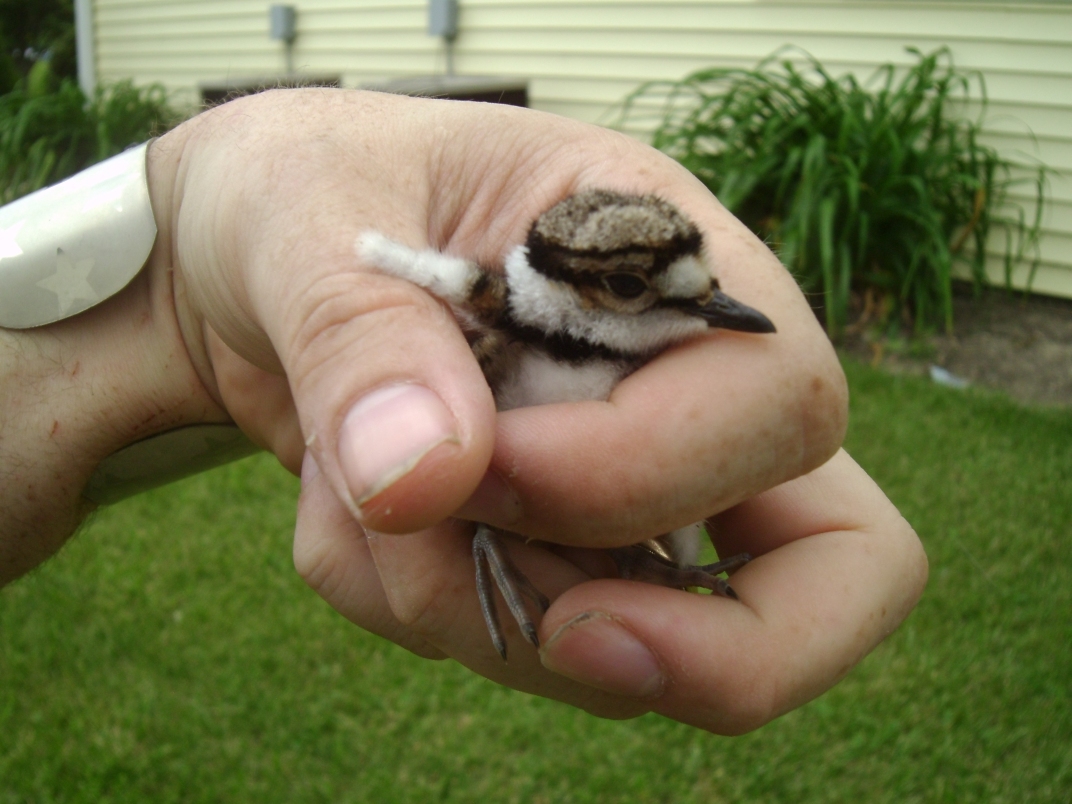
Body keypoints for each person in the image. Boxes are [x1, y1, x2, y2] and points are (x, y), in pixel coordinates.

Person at [0, 88, 927, 734]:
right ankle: (506, 540)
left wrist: (183, 310)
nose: (713, 312)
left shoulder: (658, 341)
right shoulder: (492, 332)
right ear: (573, 291)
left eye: (699, 291)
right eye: (639, 287)